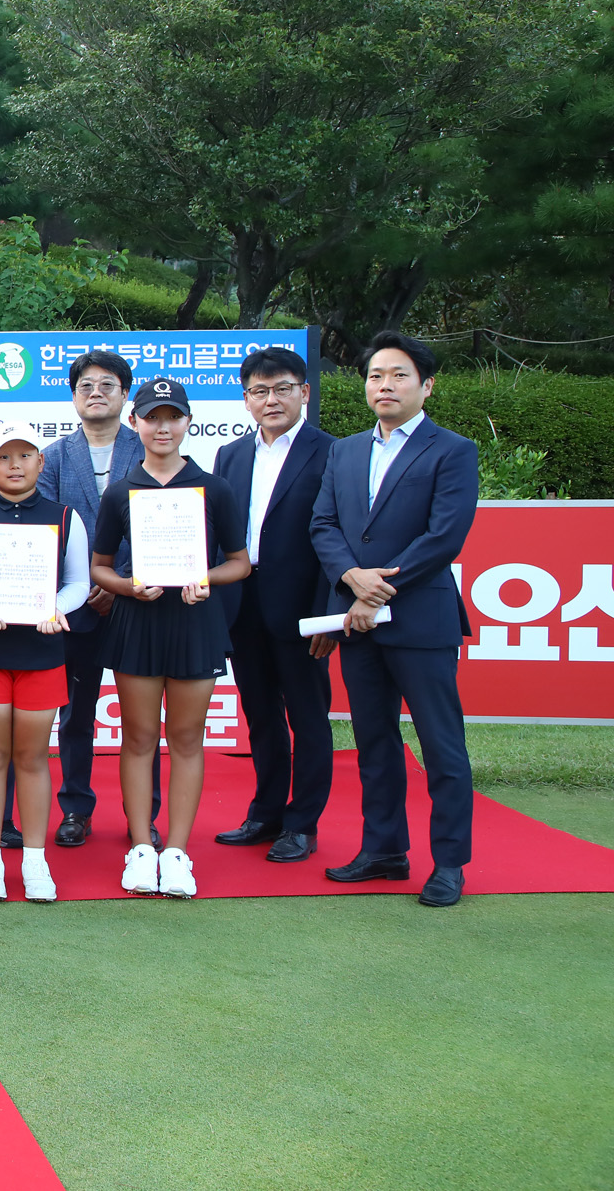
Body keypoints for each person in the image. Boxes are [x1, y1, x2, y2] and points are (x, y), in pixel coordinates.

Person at [311, 332, 479, 908]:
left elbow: (444, 537)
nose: (385, 385)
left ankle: (450, 861)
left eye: (399, 375)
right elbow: (324, 525)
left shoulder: (452, 450)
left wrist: (377, 591)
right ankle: (384, 849)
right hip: (360, 623)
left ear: (426, 385)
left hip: (420, 621)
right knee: (373, 741)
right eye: (376, 375)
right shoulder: (346, 450)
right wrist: (352, 581)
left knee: (441, 745)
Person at [89, 378, 250, 899]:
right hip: (139, 621)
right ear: (135, 422)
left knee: (185, 740)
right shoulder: (121, 490)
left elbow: (240, 562)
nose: (162, 426)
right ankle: (141, 846)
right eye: (152, 417)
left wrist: (206, 577)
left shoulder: (214, 487)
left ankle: (177, 851)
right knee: (137, 739)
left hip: (194, 622)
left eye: (172, 417)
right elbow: (100, 567)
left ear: (187, 422)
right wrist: (129, 586)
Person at [0, 422, 90, 902]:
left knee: (31, 758)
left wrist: (56, 610)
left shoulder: (65, 517)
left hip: (42, 653)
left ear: (40, 462)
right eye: (4, 458)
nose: (15, 465)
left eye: (25, 456)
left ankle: (34, 859)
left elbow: (77, 584)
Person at [213, 347, 337, 863]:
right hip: (244, 602)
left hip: (305, 607)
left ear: (304, 393)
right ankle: (265, 814)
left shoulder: (333, 452)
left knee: (308, 717)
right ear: (245, 400)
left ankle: (302, 823)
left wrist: (330, 612)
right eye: (260, 391)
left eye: (283, 388)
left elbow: (340, 537)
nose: (272, 400)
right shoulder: (231, 455)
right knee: (260, 715)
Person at [35, 350, 159, 848]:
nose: (96, 393)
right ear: (73, 396)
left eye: (107, 385)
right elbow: (46, 525)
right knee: (76, 714)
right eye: (85, 386)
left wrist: (118, 581)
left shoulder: (149, 446)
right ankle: (75, 809)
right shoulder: (55, 456)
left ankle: (141, 816)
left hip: (138, 602)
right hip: (77, 606)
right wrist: (90, 583)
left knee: (141, 722)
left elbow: (165, 526)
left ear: (125, 395)